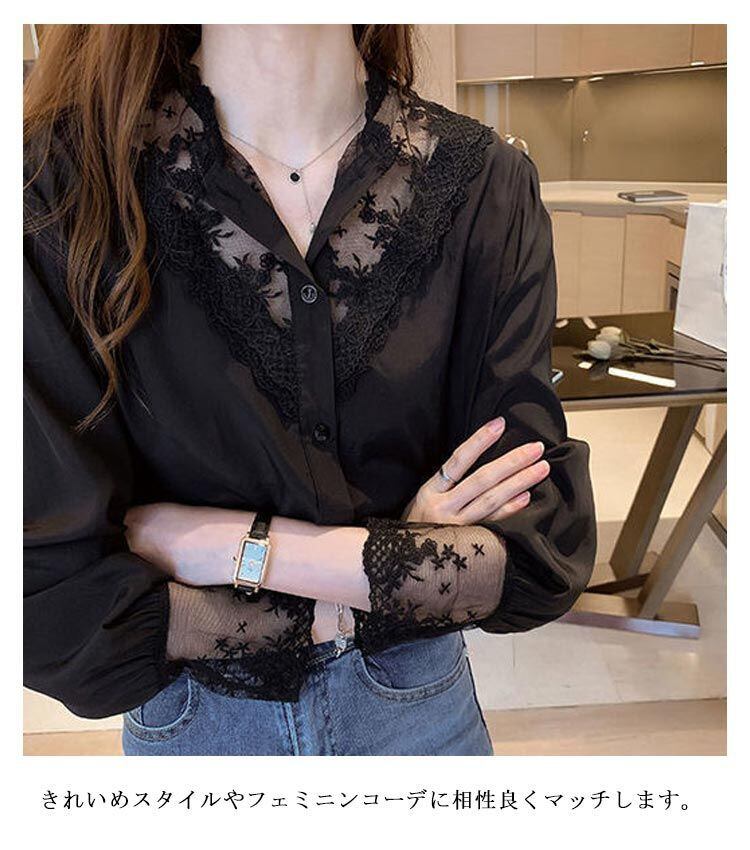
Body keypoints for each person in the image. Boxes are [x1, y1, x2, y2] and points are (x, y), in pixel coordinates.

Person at [23, 24, 597, 756]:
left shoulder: (486, 182)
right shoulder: (58, 184)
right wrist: (395, 564)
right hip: (198, 735)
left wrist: (230, 547)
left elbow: (532, 550)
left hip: (422, 715)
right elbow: (51, 595)